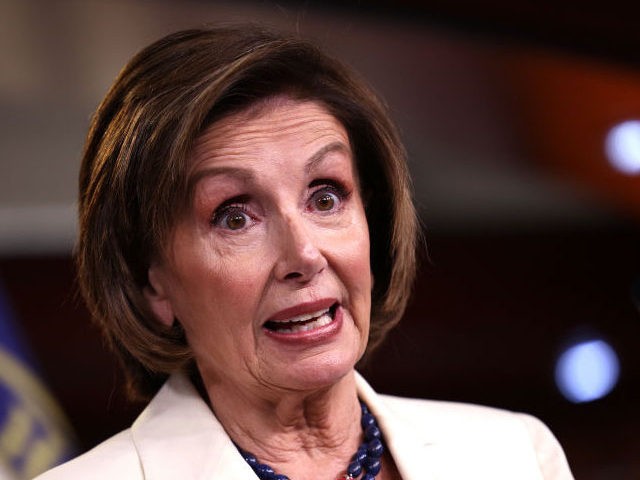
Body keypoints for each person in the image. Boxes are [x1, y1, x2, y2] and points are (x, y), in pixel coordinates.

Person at [37, 25, 574, 480]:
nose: (305, 254)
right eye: (234, 216)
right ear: (151, 281)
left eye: (326, 196)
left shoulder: (514, 455)